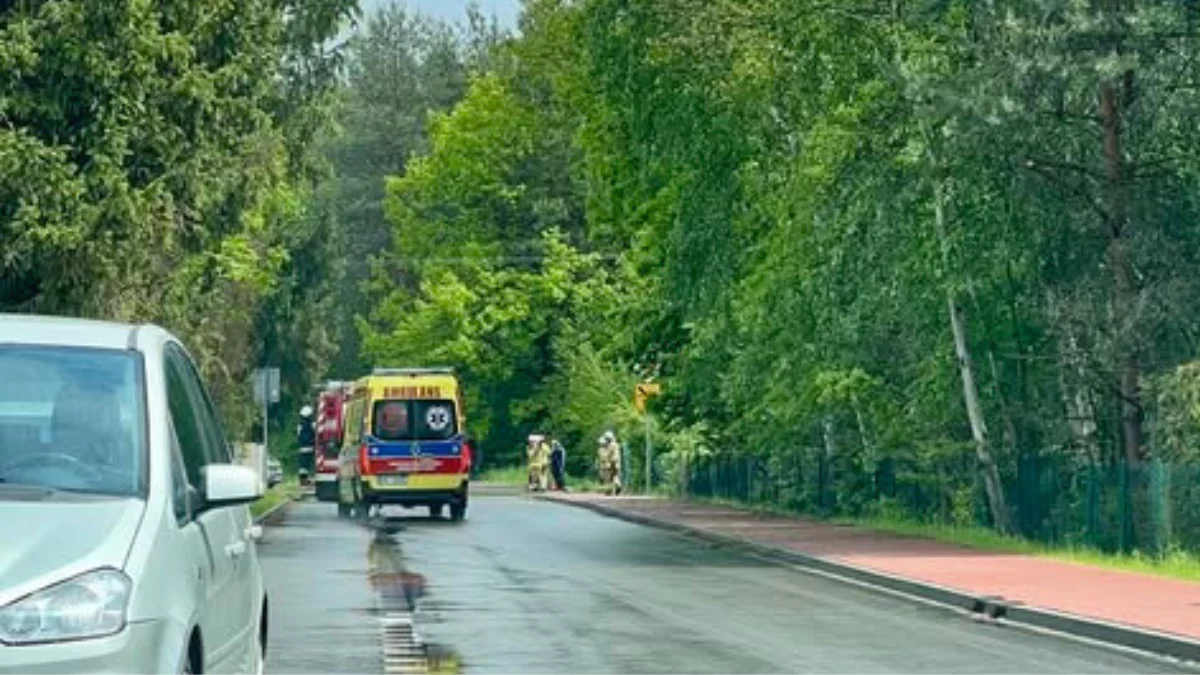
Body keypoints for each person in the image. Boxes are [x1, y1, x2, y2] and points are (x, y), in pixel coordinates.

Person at [597, 430, 622, 496]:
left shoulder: (609, 446)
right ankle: (618, 486)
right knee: (615, 476)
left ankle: (609, 490)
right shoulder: (616, 444)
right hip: (617, 463)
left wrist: (606, 461)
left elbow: (606, 456)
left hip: (609, 464)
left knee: (608, 478)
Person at [296, 405, 315, 486]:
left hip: (302, 447)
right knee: (308, 463)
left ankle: (303, 480)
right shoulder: (312, 424)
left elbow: (298, 435)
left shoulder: (300, 425)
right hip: (310, 447)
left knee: (303, 465)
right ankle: (307, 480)